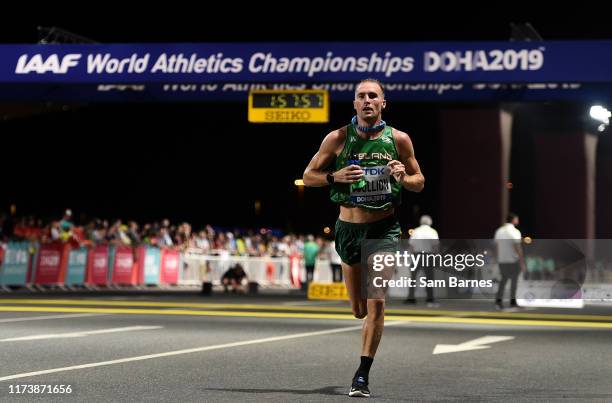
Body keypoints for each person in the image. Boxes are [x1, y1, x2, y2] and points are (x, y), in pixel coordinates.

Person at [303, 78, 425, 397]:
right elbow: (307, 177)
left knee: (376, 301)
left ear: (383, 103)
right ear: (354, 104)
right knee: (358, 309)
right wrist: (334, 176)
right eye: (362, 96)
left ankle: (362, 374)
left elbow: (419, 181)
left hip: (383, 229)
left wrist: (403, 176)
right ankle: (362, 347)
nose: (367, 100)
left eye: (374, 96)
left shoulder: (399, 139)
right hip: (348, 229)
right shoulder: (338, 138)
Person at [405, 215, 439, 306]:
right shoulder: (433, 232)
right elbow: (435, 246)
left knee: (413, 278)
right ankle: (430, 298)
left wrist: (410, 257)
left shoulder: (416, 231)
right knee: (429, 279)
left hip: (417, 255)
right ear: (430, 222)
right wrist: (436, 257)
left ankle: (411, 298)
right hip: (428, 256)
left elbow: (411, 246)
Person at [494, 213, 525, 309]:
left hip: (502, 260)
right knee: (514, 282)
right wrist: (522, 262)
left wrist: (497, 259)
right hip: (513, 260)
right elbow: (517, 248)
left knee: (503, 281)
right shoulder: (515, 232)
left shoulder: (499, 231)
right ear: (513, 220)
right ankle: (513, 302)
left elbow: (497, 247)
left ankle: (498, 301)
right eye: (517, 219)